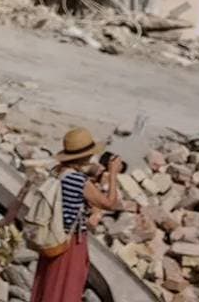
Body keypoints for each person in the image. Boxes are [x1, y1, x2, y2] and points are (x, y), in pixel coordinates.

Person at [30, 128, 124, 302]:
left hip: (53, 238)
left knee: (49, 284)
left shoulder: (58, 172)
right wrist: (113, 174)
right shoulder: (78, 180)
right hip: (70, 242)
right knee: (66, 286)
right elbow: (109, 204)